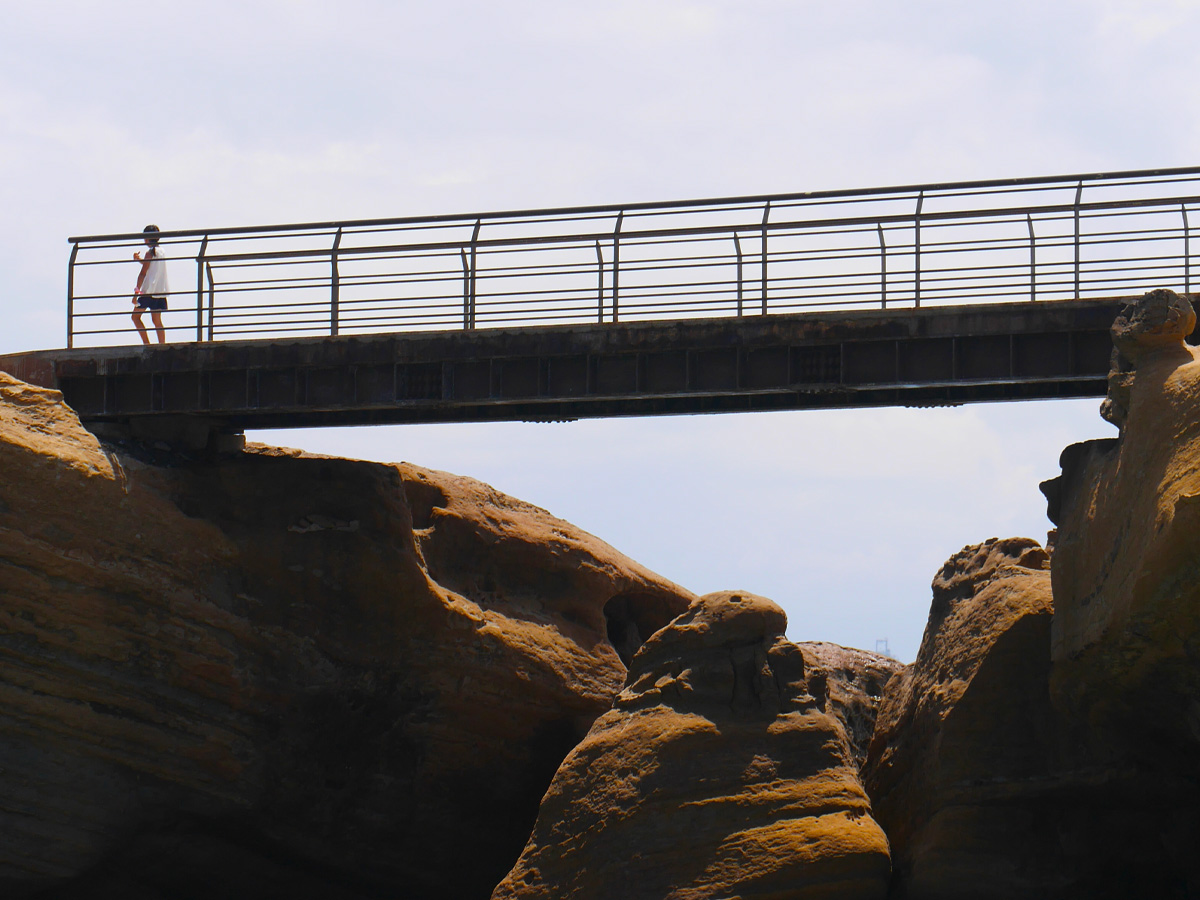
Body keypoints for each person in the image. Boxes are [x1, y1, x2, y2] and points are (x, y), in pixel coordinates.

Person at [132, 224, 169, 344]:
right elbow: (151, 266)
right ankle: (162, 345)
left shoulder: (150, 253)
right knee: (157, 320)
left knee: (135, 317)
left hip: (148, 291)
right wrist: (140, 260)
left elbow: (143, 273)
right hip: (159, 290)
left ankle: (147, 343)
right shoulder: (161, 251)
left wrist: (136, 293)